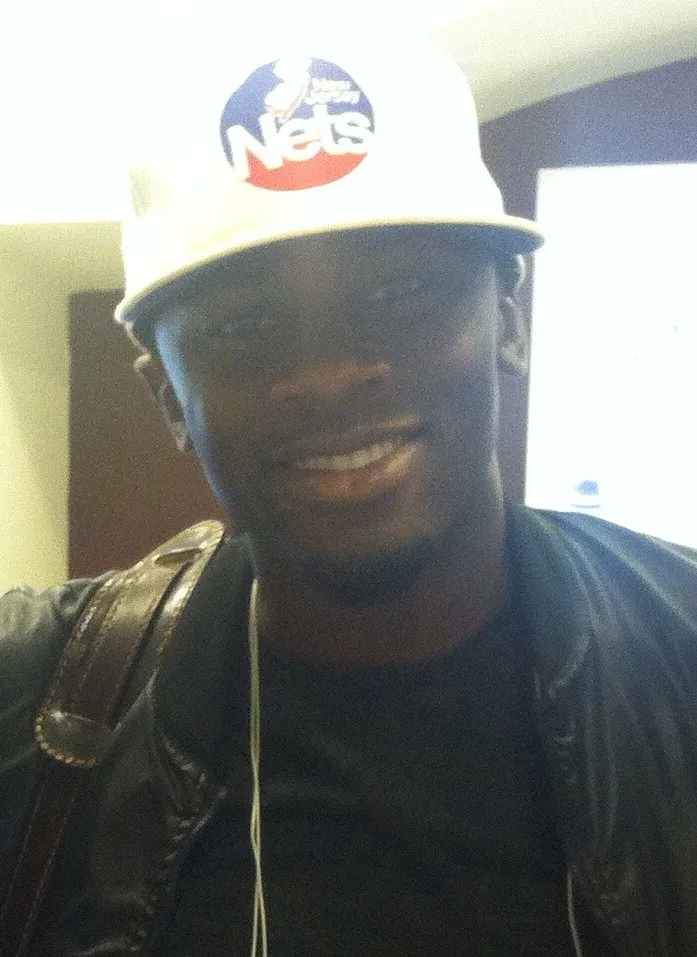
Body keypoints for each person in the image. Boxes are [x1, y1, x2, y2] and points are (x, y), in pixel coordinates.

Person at [2, 25, 697, 957]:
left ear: (507, 317)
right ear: (168, 395)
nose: (327, 376)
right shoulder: (31, 701)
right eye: (244, 323)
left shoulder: (680, 653)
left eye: (398, 291)